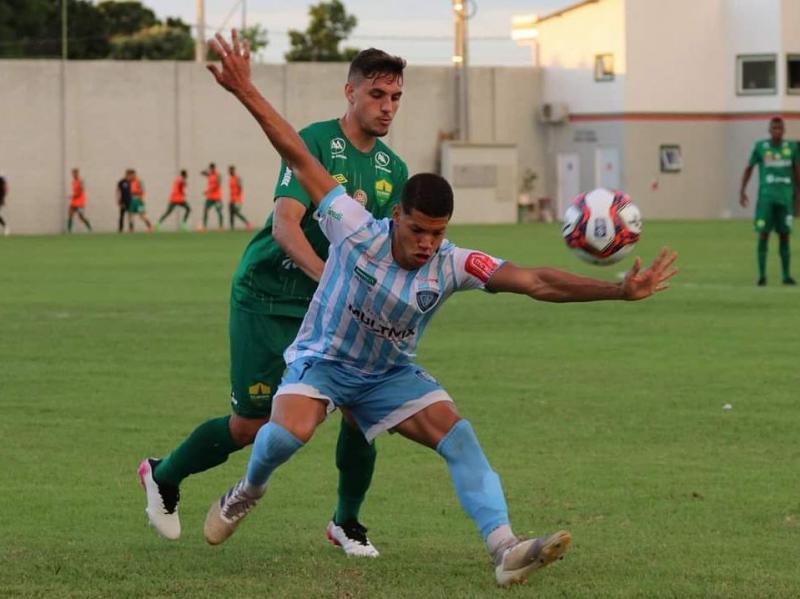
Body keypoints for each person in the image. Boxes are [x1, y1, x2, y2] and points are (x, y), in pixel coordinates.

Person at [200, 31, 679, 586]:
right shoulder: (353, 228)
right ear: (396, 216)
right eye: (419, 230)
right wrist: (244, 90)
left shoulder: (453, 262)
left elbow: (536, 280)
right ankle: (247, 492)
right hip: (323, 360)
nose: (428, 243)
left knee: (460, 437)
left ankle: (505, 549)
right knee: (285, 437)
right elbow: (297, 153)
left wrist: (618, 290)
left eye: (438, 233)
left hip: (387, 374)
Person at [138, 43, 409, 557]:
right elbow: (286, 228)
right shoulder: (314, 142)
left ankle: (346, 523)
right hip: (267, 296)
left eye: (395, 96)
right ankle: (162, 474)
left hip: (328, 312)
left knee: (361, 410)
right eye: (376, 94)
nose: (387, 105)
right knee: (250, 426)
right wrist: (335, 283)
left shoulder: (393, 170)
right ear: (350, 93)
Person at [740, 116, 800, 286]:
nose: (777, 132)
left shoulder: (792, 147)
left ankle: (786, 275)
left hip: (785, 198)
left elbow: (797, 171)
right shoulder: (761, 147)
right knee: (763, 234)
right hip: (766, 198)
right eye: (774, 129)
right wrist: (742, 190)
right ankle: (761, 275)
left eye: (780, 129)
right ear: (769, 130)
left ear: (784, 130)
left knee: (785, 236)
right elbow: (749, 168)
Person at [67, 168, 92, 233]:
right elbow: (75, 191)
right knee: (70, 214)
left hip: (80, 201)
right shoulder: (73, 182)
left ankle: (89, 227)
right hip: (74, 201)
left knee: (81, 217)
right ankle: (69, 230)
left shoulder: (81, 181)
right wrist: (73, 196)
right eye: (73, 173)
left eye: (75, 173)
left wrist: (73, 196)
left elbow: (81, 191)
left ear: (78, 173)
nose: (74, 174)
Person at [227, 165, 252, 231]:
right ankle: (232, 228)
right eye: (229, 170)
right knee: (231, 214)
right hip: (231, 199)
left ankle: (247, 223)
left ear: (233, 170)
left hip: (237, 199)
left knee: (236, 212)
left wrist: (238, 198)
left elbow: (240, 187)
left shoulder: (237, 178)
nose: (229, 171)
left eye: (231, 170)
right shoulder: (230, 178)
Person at [200, 163, 224, 231]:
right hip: (210, 197)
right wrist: (206, 169)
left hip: (217, 197)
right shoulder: (209, 174)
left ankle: (221, 226)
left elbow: (218, 184)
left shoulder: (218, 175)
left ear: (214, 168)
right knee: (205, 210)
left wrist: (208, 191)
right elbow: (202, 173)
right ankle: (204, 226)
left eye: (212, 168)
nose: (211, 169)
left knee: (219, 211)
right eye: (210, 168)